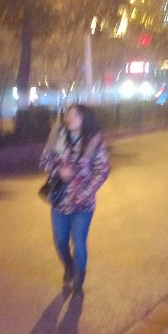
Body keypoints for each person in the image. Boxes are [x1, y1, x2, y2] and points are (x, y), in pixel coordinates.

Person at [40, 104, 109, 294]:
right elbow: (44, 161)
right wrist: (58, 170)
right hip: (60, 202)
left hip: (83, 205)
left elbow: (102, 171)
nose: (70, 118)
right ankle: (69, 266)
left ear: (84, 119)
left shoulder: (93, 142)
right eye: (68, 115)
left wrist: (86, 193)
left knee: (79, 242)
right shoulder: (57, 138)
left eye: (75, 115)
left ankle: (79, 277)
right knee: (60, 242)